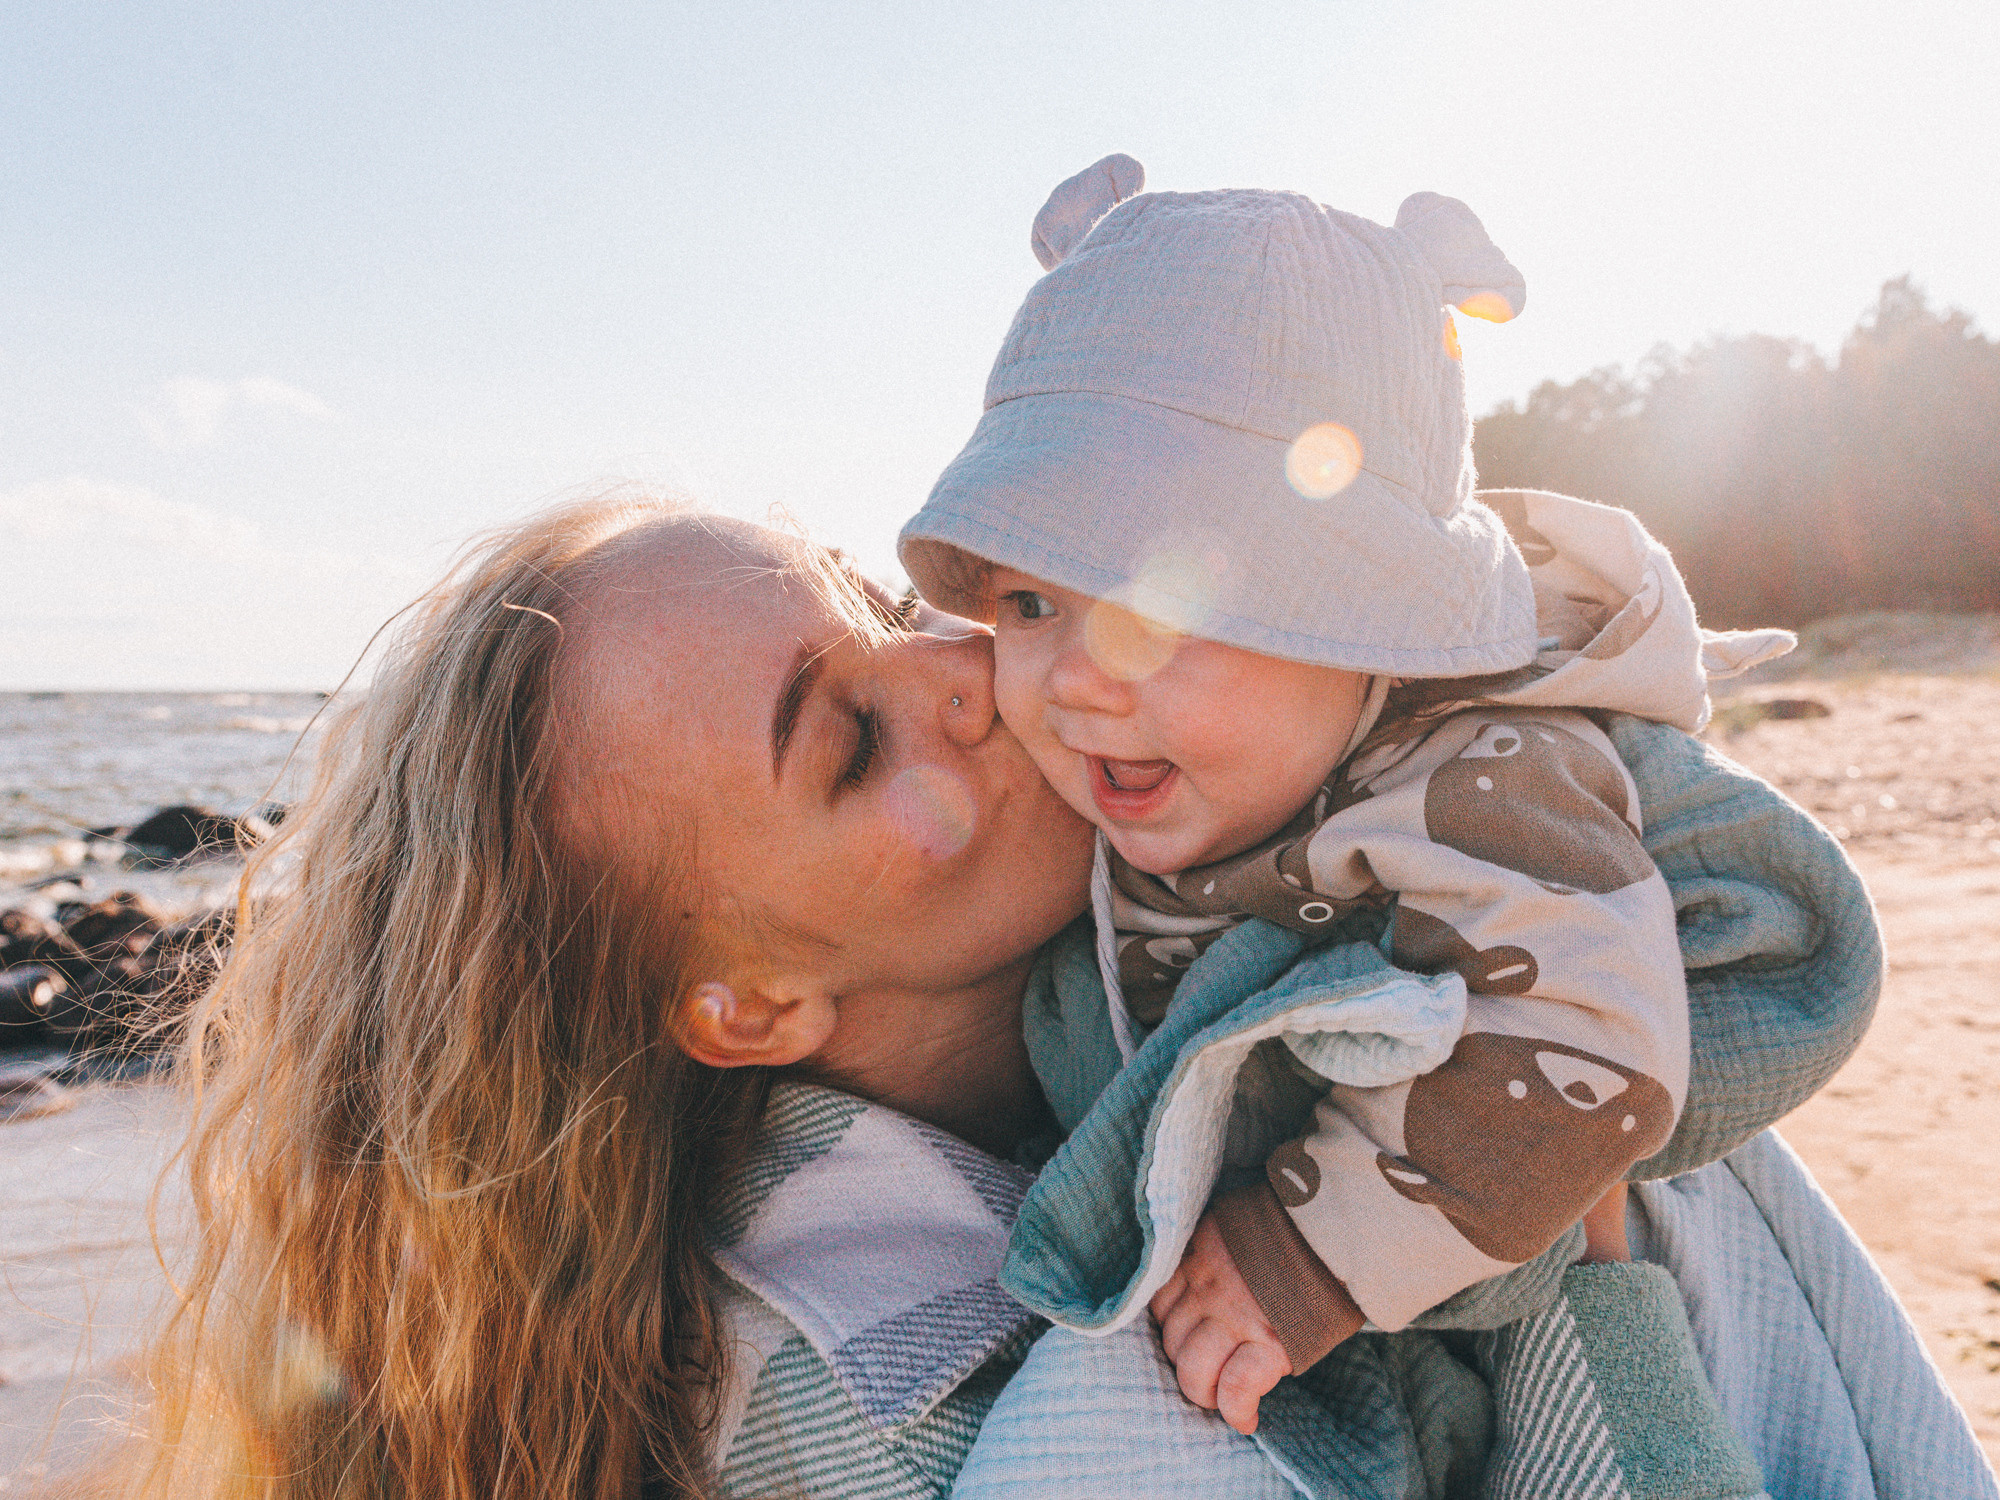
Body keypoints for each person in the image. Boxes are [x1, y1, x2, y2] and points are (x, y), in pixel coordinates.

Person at [122, 497, 1992, 1500]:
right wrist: (1576, 1255)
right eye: (847, 735)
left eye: (871, 592)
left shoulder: (1378, 930)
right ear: (748, 1004)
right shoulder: (867, 1411)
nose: (960, 663)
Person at [892, 154, 1779, 1488]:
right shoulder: (1179, 749)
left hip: (1490, 1249)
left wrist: (1307, 1253)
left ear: (1372, 615)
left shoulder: (1476, 775)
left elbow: (1591, 1034)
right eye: (1028, 602)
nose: (1077, 676)